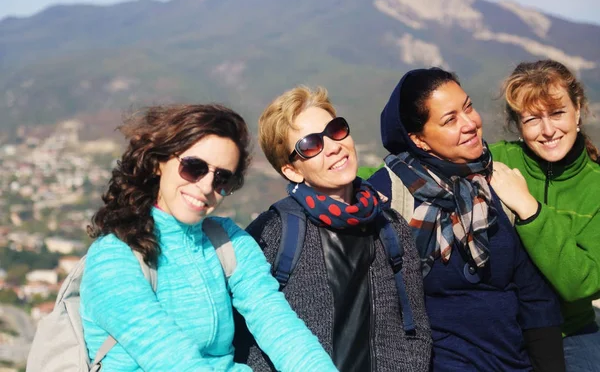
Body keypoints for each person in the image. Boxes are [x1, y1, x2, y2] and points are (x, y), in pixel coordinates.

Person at [80, 104, 338, 371]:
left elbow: (277, 324)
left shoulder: (227, 241)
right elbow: (172, 359)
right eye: (194, 168)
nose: (205, 187)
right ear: (159, 162)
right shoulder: (114, 257)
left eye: (221, 178)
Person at [367, 67, 565, 371]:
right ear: (419, 139)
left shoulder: (496, 182)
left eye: (468, 107)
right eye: (450, 120)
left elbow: (534, 297)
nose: (470, 123)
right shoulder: (391, 196)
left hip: (514, 362)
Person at [234, 86, 432, 372]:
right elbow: (250, 339)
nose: (334, 146)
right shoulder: (274, 233)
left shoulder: (390, 225)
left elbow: (415, 328)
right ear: (292, 170)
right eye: (311, 145)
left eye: (336, 130)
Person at [489, 59, 600, 371]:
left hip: (572, 332)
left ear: (578, 110)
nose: (548, 130)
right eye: (533, 119)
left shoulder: (596, 185)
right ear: (517, 124)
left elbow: (583, 283)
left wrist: (529, 208)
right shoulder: (497, 159)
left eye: (557, 113)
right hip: (504, 332)